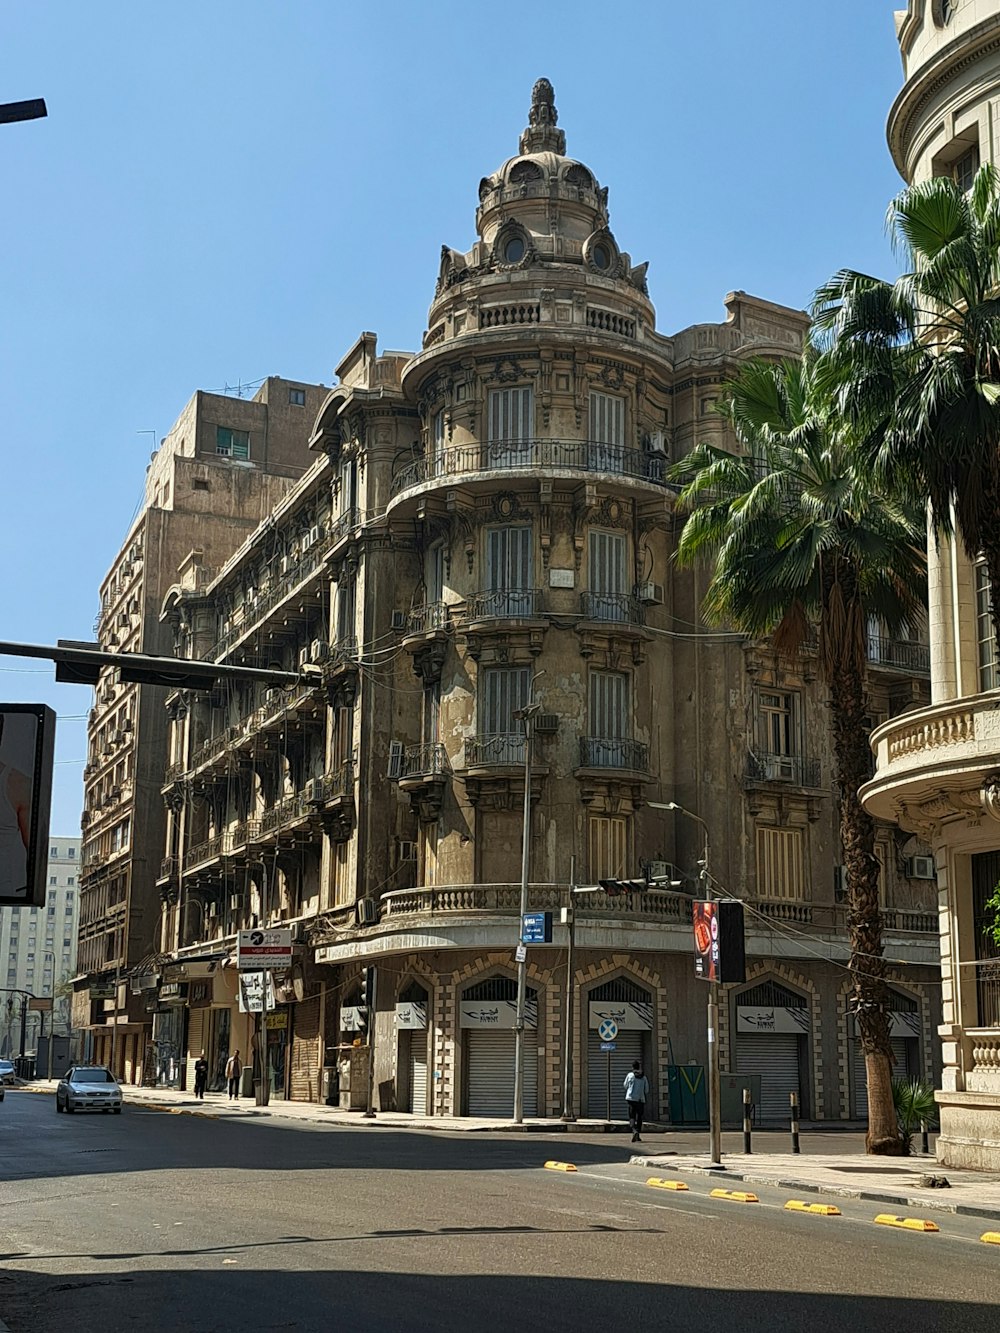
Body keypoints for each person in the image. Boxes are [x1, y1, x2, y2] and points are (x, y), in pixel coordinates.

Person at [624, 1060, 650, 1143]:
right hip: (640, 1100)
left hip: (631, 1099)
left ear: (632, 1067)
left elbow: (625, 1086)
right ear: (639, 1067)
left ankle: (634, 1130)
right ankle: (638, 1133)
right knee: (639, 1117)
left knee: (632, 1116)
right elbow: (646, 1090)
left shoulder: (630, 1075)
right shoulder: (644, 1077)